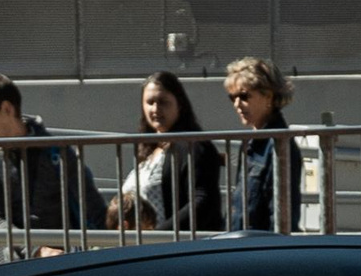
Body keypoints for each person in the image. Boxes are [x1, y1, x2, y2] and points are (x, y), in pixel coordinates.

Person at [0, 76, 86, 239]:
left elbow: (91, 208)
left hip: (64, 251)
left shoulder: (56, 151)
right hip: (19, 253)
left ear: (7, 109)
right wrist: (35, 249)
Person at [109, 71, 224, 235]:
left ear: (180, 104)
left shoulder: (195, 147)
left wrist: (160, 235)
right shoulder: (149, 150)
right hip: (144, 243)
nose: (156, 109)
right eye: (150, 102)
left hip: (171, 245)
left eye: (163, 102)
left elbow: (203, 202)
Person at [224, 56, 301, 233]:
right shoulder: (251, 143)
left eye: (244, 96)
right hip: (243, 241)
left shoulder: (280, 146)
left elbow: (282, 216)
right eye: (232, 97)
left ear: (268, 96)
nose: (237, 104)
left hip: (261, 245)